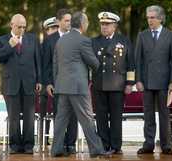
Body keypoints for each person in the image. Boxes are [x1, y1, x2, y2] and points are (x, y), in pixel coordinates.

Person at [50, 11, 110, 158]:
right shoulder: (83, 40)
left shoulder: (61, 40)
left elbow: (55, 65)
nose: (88, 24)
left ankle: (56, 149)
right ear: (82, 24)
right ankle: (96, 149)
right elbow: (94, 63)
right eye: (87, 21)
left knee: (60, 120)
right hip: (78, 87)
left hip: (62, 86)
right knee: (87, 119)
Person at [0, 14, 42, 154]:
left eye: (24, 27)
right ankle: (14, 145)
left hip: (30, 83)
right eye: (19, 27)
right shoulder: (2, 40)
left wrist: (39, 80)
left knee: (29, 117)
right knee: (13, 117)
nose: (22, 29)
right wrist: (9, 46)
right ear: (11, 25)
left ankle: (28, 145)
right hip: (10, 84)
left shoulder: (32, 39)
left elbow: (37, 61)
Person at [135, 5, 172, 155]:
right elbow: (138, 60)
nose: (150, 20)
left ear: (160, 18)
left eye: (152, 17)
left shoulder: (171, 36)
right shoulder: (142, 35)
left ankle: (166, 145)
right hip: (146, 82)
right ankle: (148, 145)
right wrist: (138, 80)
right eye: (148, 17)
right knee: (148, 115)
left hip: (164, 82)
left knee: (164, 115)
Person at [91, 12, 135, 154]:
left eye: (107, 24)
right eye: (102, 24)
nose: (104, 27)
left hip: (118, 85)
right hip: (99, 84)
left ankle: (116, 145)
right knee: (101, 117)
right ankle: (104, 144)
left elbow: (130, 63)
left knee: (116, 117)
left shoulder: (124, 41)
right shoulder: (94, 41)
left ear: (114, 25)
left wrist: (129, 83)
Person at [43, 9, 78, 153]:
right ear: (58, 22)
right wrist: (48, 83)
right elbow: (46, 65)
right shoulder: (49, 40)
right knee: (60, 115)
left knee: (73, 115)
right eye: (66, 20)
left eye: (70, 20)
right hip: (57, 85)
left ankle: (71, 144)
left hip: (74, 84)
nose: (69, 23)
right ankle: (60, 144)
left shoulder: (77, 38)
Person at [39, 16, 58, 147]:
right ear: (47, 30)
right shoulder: (42, 45)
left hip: (59, 83)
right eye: (52, 28)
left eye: (56, 28)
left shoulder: (63, 43)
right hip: (45, 84)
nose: (54, 31)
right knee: (43, 113)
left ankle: (58, 139)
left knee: (59, 114)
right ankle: (42, 138)